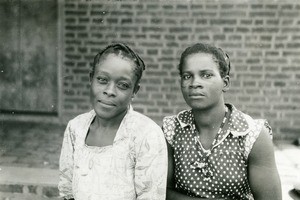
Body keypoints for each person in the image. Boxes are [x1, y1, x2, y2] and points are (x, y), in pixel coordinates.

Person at [162, 43, 282, 200]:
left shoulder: (253, 134)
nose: (194, 83)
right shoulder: (172, 130)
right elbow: (160, 191)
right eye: (187, 76)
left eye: (206, 75)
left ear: (225, 83)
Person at [58, 43, 168, 200]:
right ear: (91, 79)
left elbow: (151, 196)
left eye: (123, 85)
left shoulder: (146, 134)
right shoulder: (76, 128)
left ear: (134, 91)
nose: (109, 91)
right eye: (102, 80)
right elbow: (67, 191)